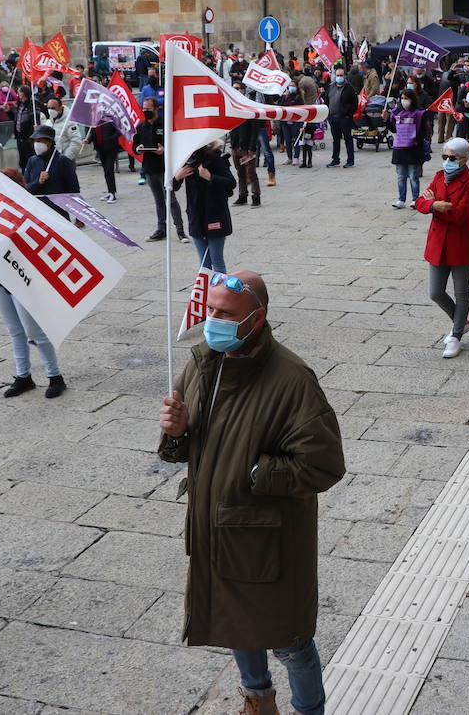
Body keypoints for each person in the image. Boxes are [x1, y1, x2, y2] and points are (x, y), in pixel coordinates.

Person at [158, 270, 345, 715]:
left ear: (256, 319)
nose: (212, 320)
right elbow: (187, 446)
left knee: (290, 641)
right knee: (236, 625)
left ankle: (308, 710)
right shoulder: (202, 362)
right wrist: (176, 433)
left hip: (268, 541)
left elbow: (323, 464)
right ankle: (258, 700)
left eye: (225, 313)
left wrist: (255, 472)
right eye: (210, 310)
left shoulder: (293, 378)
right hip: (217, 532)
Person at [0, 167, 67, 398]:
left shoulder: (29, 211)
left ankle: (55, 376)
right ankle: (23, 376)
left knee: (34, 331)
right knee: (15, 331)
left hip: (23, 278)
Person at [417, 138, 469, 358]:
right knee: (435, 292)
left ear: (464, 159)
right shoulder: (438, 177)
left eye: (451, 158)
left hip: (460, 244)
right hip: (437, 243)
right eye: (444, 157)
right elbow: (419, 203)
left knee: (461, 293)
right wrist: (435, 205)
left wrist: (434, 206)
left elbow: (461, 215)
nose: (447, 161)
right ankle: (462, 321)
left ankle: (456, 334)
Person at [173, 139, 236, 274]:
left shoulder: (215, 158)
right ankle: (207, 293)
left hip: (214, 215)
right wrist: (177, 177)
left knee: (216, 260)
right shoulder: (186, 160)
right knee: (204, 263)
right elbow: (170, 187)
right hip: (195, 216)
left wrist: (210, 177)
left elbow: (231, 183)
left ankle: (220, 294)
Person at [133, 101, 188, 242]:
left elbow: (176, 144)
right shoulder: (141, 126)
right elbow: (135, 144)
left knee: (171, 199)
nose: (146, 111)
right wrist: (137, 149)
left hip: (165, 168)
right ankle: (161, 229)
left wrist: (164, 150)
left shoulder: (165, 124)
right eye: (144, 109)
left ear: (157, 109)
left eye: (149, 109)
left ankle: (180, 231)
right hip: (150, 168)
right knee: (158, 201)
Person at [24, 125, 81, 214]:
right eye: (34, 141)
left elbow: (73, 189)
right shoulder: (32, 161)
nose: (36, 144)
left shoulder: (62, 160)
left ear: (49, 142)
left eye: (39, 141)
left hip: (58, 212)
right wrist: (38, 182)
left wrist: (78, 214)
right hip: (38, 211)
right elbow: (26, 187)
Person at [390, 90, 428, 208]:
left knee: (413, 176)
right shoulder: (397, 113)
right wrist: (386, 119)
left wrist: (418, 141)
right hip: (400, 149)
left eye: (406, 98)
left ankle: (415, 199)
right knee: (401, 176)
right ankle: (401, 199)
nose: (404, 100)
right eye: (402, 98)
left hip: (413, 149)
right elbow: (393, 128)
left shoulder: (419, 113)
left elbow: (424, 131)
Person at [324, 66, 356, 168]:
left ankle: (350, 160)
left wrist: (348, 114)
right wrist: (328, 115)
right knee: (335, 139)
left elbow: (354, 103)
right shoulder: (331, 87)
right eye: (337, 75)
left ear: (345, 76)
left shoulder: (349, 88)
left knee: (347, 139)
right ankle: (335, 159)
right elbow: (326, 101)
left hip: (344, 118)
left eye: (341, 75)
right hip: (333, 117)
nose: (339, 77)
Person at [90, 120, 122, 203]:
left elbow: (119, 130)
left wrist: (111, 138)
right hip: (100, 148)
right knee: (106, 171)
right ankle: (110, 191)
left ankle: (112, 194)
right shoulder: (94, 121)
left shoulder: (110, 120)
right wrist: (88, 140)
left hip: (111, 148)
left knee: (109, 170)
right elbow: (92, 133)